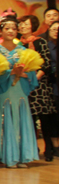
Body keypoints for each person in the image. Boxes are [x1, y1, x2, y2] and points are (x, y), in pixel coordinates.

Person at [0, 16, 40, 168]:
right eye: (7, 28)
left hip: (20, 89)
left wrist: (24, 73)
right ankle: (6, 156)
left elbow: (32, 72)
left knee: (20, 119)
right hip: (5, 89)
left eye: (14, 28)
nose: (11, 31)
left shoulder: (23, 50)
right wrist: (11, 72)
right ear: (0, 31)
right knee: (5, 118)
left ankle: (22, 156)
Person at [17, 15, 57, 161]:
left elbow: (46, 63)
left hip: (40, 86)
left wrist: (35, 78)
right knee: (29, 119)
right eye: (21, 24)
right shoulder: (17, 44)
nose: (22, 27)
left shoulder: (40, 41)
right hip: (23, 85)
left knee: (44, 119)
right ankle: (33, 149)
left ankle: (48, 149)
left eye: (26, 24)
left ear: (32, 26)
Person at [46, 21, 59, 158]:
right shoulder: (47, 46)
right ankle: (55, 147)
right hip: (53, 86)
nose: (56, 31)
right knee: (54, 118)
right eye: (54, 29)